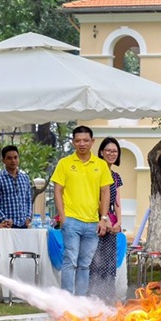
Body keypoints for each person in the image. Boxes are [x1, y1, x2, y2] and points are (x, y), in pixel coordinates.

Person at [51, 126, 112, 295]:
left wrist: (104, 218)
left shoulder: (100, 165)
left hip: (93, 222)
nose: (82, 144)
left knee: (85, 263)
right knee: (70, 261)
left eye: (86, 140)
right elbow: (58, 190)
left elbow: (105, 192)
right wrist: (62, 216)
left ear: (92, 142)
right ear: (73, 142)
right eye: (78, 141)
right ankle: (67, 299)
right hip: (71, 220)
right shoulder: (64, 163)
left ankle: (81, 300)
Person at [89, 137, 123, 303]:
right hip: (97, 220)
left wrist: (118, 222)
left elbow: (117, 201)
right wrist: (103, 219)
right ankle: (94, 297)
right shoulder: (95, 172)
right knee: (96, 262)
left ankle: (108, 297)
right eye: (108, 150)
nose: (111, 154)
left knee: (110, 263)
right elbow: (95, 197)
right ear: (101, 152)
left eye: (115, 151)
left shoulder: (116, 176)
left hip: (111, 221)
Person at [0, 145, 33, 229]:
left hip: (23, 224)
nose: (13, 160)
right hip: (5, 225)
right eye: (9, 158)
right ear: (3, 160)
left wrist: (28, 217)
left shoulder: (25, 177)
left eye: (15, 157)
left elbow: (28, 199)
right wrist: (4, 219)